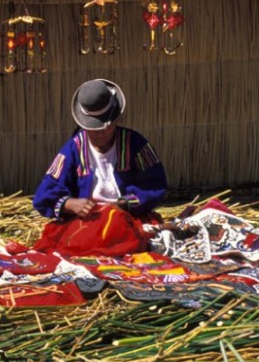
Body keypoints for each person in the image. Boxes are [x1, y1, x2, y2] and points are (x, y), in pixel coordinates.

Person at [31, 79, 168, 256]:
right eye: (92, 129)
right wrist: (69, 204)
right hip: (89, 222)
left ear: (116, 120)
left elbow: (155, 186)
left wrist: (125, 204)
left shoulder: (135, 144)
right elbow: (44, 196)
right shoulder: (73, 149)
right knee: (75, 244)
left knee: (131, 237)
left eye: (106, 127)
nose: (100, 134)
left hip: (127, 218)